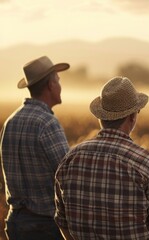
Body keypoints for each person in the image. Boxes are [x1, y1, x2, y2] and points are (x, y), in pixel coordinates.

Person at [55, 76, 149, 240]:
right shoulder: (147, 163)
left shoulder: (70, 158)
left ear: (100, 118)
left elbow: (62, 221)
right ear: (132, 116)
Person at [0, 56, 70, 239]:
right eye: (58, 80)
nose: (60, 86)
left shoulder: (10, 121)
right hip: (45, 226)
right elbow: (67, 174)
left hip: (16, 221)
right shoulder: (48, 123)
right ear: (50, 85)